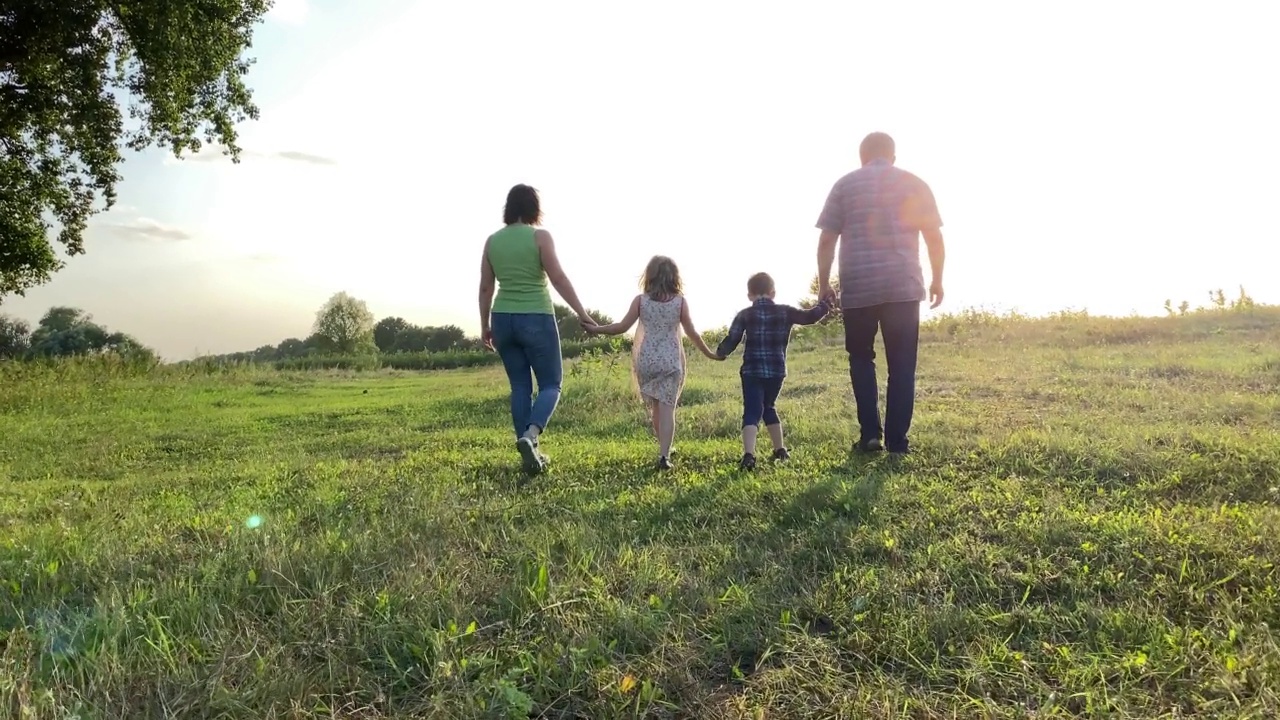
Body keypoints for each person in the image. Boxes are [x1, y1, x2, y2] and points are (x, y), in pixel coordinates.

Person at [814, 132, 946, 455]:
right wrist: (937, 279)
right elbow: (934, 238)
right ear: (893, 156)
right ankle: (898, 442)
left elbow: (827, 241)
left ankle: (870, 435)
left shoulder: (844, 186)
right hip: (903, 286)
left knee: (861, 359)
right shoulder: (914, 183)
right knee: (902, 365)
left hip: (858, 288)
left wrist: (824, 284)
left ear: (862, 156)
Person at [479, 184, 595, 475]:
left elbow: (485, 287)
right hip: (536, 317)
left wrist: (484, 325)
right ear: (534, 207)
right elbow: (558, 278)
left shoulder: (492, 241)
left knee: (519, 386)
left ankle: (528, 454)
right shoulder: (540, 237)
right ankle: (530, 436)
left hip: (502, 318)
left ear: (509, 207)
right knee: (551, 384)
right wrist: (582, 313)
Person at [586, 256, 722, 469]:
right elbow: (692, 333)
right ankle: (664, 455)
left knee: (656, 409)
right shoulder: (680, 302)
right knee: (668, 408)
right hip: (670, 360)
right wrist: (710, 353)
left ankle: (664, 448)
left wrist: (596, 329)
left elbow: (621, 327)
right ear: (674, 276)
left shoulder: (641, 301)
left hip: (647, 360)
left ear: (649, 275)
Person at [715, 272, 831, 470]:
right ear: (773, 292)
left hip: (752, 370)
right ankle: (780, 450)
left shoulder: (745, 314)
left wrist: (720, 352)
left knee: (752, 410)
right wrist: (825, 304)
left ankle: (749, 455)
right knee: (769, 406)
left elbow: (732, 338)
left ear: (749, 295)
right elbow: (809, 317)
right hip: (776, 370)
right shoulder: (785, 311)